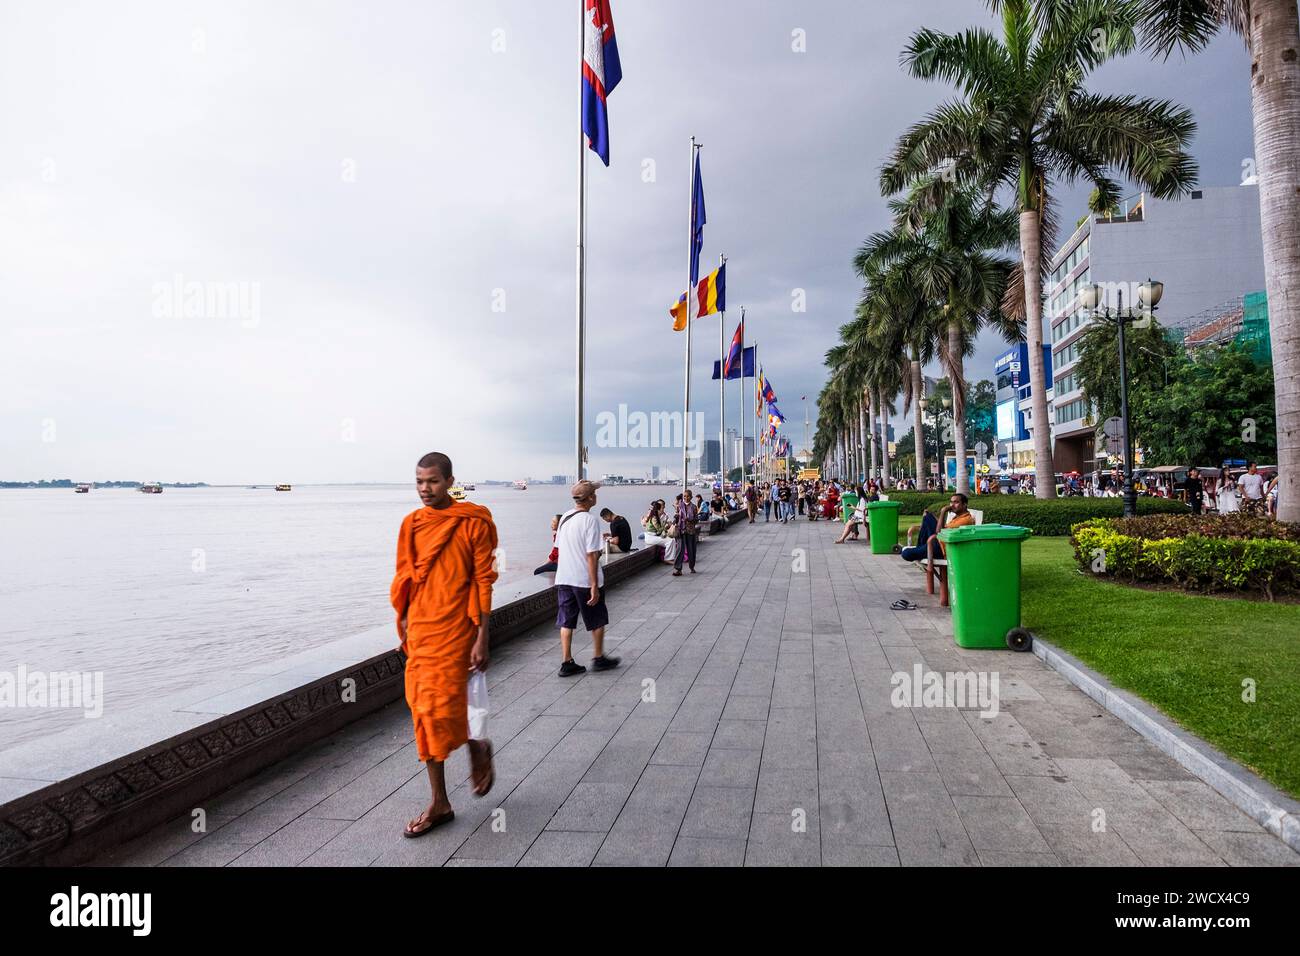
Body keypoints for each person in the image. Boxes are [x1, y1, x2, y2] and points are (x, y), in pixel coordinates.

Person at [391, 452, 498, 838]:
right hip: (422, 630)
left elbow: (483, 579)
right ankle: (440, 801)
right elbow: (405, 575)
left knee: (450, 703)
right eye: (419, 482)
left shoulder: (472, 521)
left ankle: (475, 743)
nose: (425, 489)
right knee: (423, 712)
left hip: (457, 628)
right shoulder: (412, 524)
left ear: (450, 480)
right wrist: (402, 620)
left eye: (433, 481)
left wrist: (483, 635)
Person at [554, 479, 621, 677]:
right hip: (584, 579)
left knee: (566, 621)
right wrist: (594, 585)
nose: (596, 495)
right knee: (596, 619)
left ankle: (567, 662)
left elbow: (558, 548)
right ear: (590, 497)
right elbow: (592, 555)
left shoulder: (565, 517)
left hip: (564, 578)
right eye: (595, 493)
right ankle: (598, 658)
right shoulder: (590, 520)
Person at [673, 492, 699, 575]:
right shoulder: (679, 506)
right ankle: (678, 569)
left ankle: (692, 567)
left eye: (688, 496)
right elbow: (676, 516)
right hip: (681, 530)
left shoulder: (694, 507)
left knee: (691, 550)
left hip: (690, 531)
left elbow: (696, 520)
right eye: (684, 496)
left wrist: (690, 520)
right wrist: (676, 519)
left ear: (691, 497)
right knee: (680, 549)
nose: (686, 498)